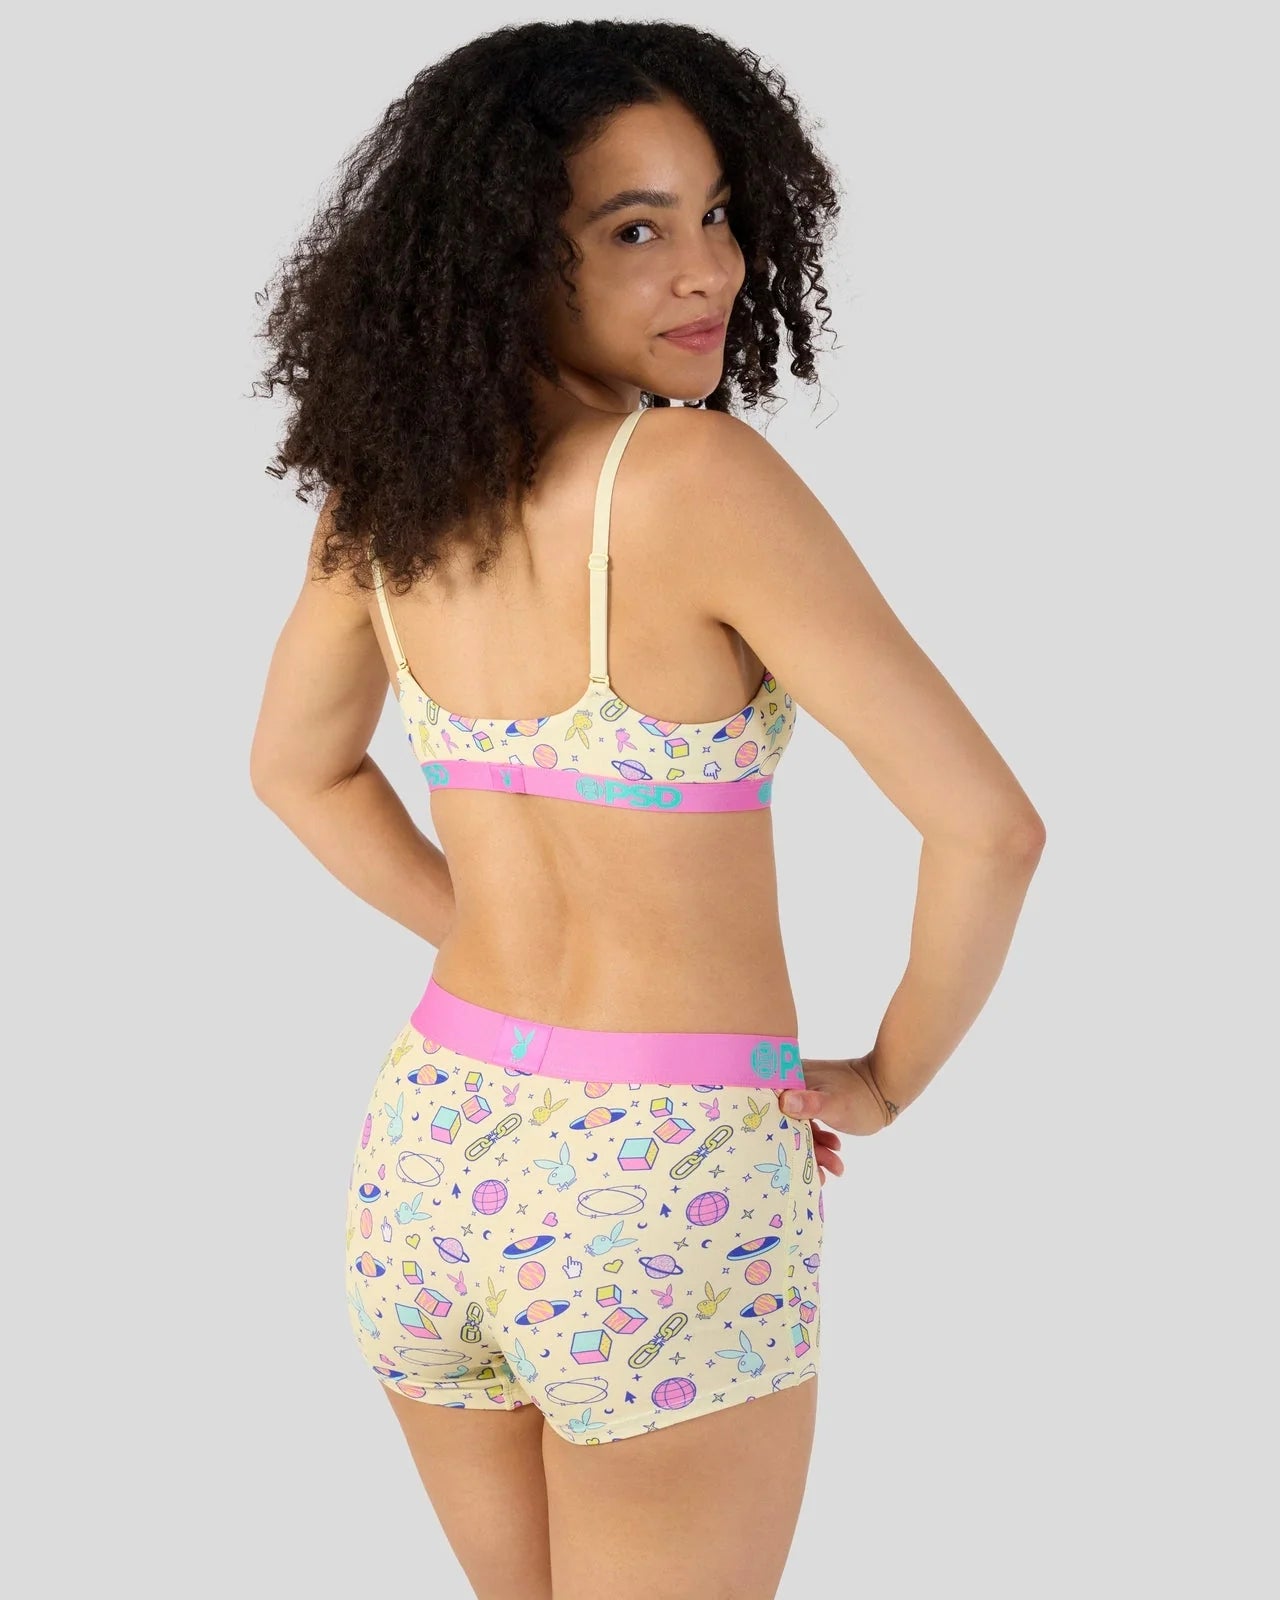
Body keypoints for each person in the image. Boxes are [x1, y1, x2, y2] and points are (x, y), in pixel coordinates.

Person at [249, 21, 1045, 1600]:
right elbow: (989, 827)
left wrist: (486, 926)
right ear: (503, 258)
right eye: (634, 230)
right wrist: (886, 1079)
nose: (707, 270)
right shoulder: (692, 483)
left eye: (718, 213)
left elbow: (299, 769)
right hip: (662, 1183)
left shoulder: (387, 501)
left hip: (429, 1147)